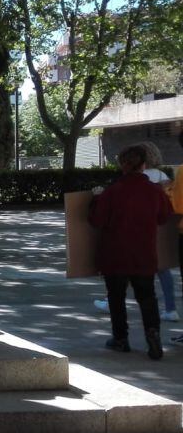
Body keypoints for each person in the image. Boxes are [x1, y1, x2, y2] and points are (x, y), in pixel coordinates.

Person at [88, 144, 171, 359]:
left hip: (115, 253)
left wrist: (96, 199)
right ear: (143, 165)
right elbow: (164, 217)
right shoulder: (154, 191)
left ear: (122, 166)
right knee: (147, 297)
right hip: (144, 253)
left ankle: (120, 338)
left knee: (116, 298)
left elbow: (97, 221)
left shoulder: (113, 191)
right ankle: (152, 333)